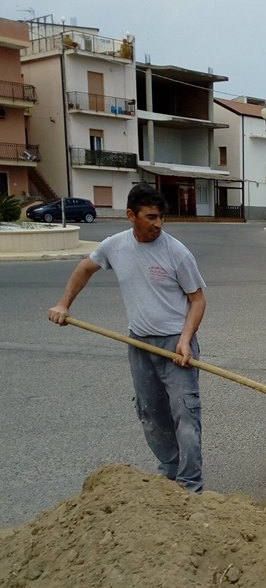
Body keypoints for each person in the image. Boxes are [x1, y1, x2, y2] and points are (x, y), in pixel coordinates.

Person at [48, 183, 207, 493]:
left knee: (185, 413)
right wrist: (63, 304)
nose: (158, 224)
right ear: (131, 215)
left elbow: (198, 300)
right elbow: (84, 268)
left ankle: (191, 486)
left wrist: (186, 339)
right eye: (151, 217)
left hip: (175, 343)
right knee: (150, 413)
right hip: (139, 344)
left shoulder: (177, 252)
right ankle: (170, 473)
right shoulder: (115, 246)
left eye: (161, 217)